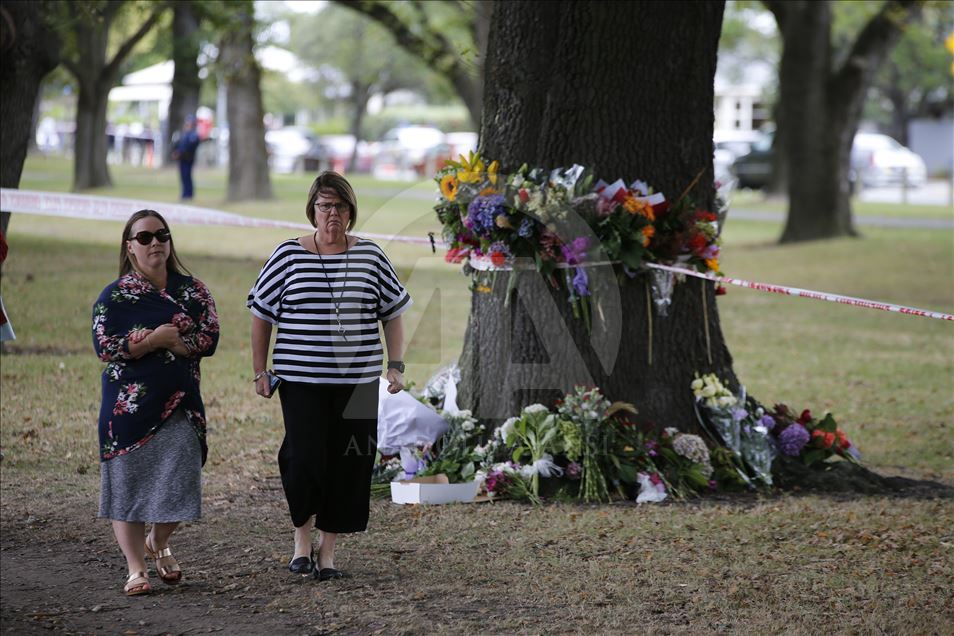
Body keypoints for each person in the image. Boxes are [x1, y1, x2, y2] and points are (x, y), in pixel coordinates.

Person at [247, 171, 411, 582]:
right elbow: (261, 314)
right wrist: (259, 371)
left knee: (350, 462)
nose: (332, 214)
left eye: (339, 206)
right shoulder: (287, 255)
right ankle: (301, 540)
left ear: (351, 211)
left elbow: (392, 313)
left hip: (356, 383)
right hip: (300, 380)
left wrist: (396, 366)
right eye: (324, 206)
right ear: (312, 211)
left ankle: (328, 552)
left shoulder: (371, 256)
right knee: (303, 459)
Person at [92, 210, 219, 596]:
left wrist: (175, 342)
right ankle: (136, 569)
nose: (155, 243)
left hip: (180, 402)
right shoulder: (115, 296)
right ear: (130, 247)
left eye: (161, 235)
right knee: (127, 489)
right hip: (126, 409)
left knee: (182, 480)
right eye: (144, 237)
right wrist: (152, 341)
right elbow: (104, 346)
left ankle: (158, 540)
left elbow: (210, 336)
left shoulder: (193, 290)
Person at [171, 116, 201, 200]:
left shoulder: (193, 135)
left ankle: (188, 194)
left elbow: (189, 147)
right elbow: (179, 144)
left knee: (187, 176)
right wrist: (176, 152)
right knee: (183, 176)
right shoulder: (184, 134)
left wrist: (179, 152)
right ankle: (185, 194)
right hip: (182, 159)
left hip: (188, 158)